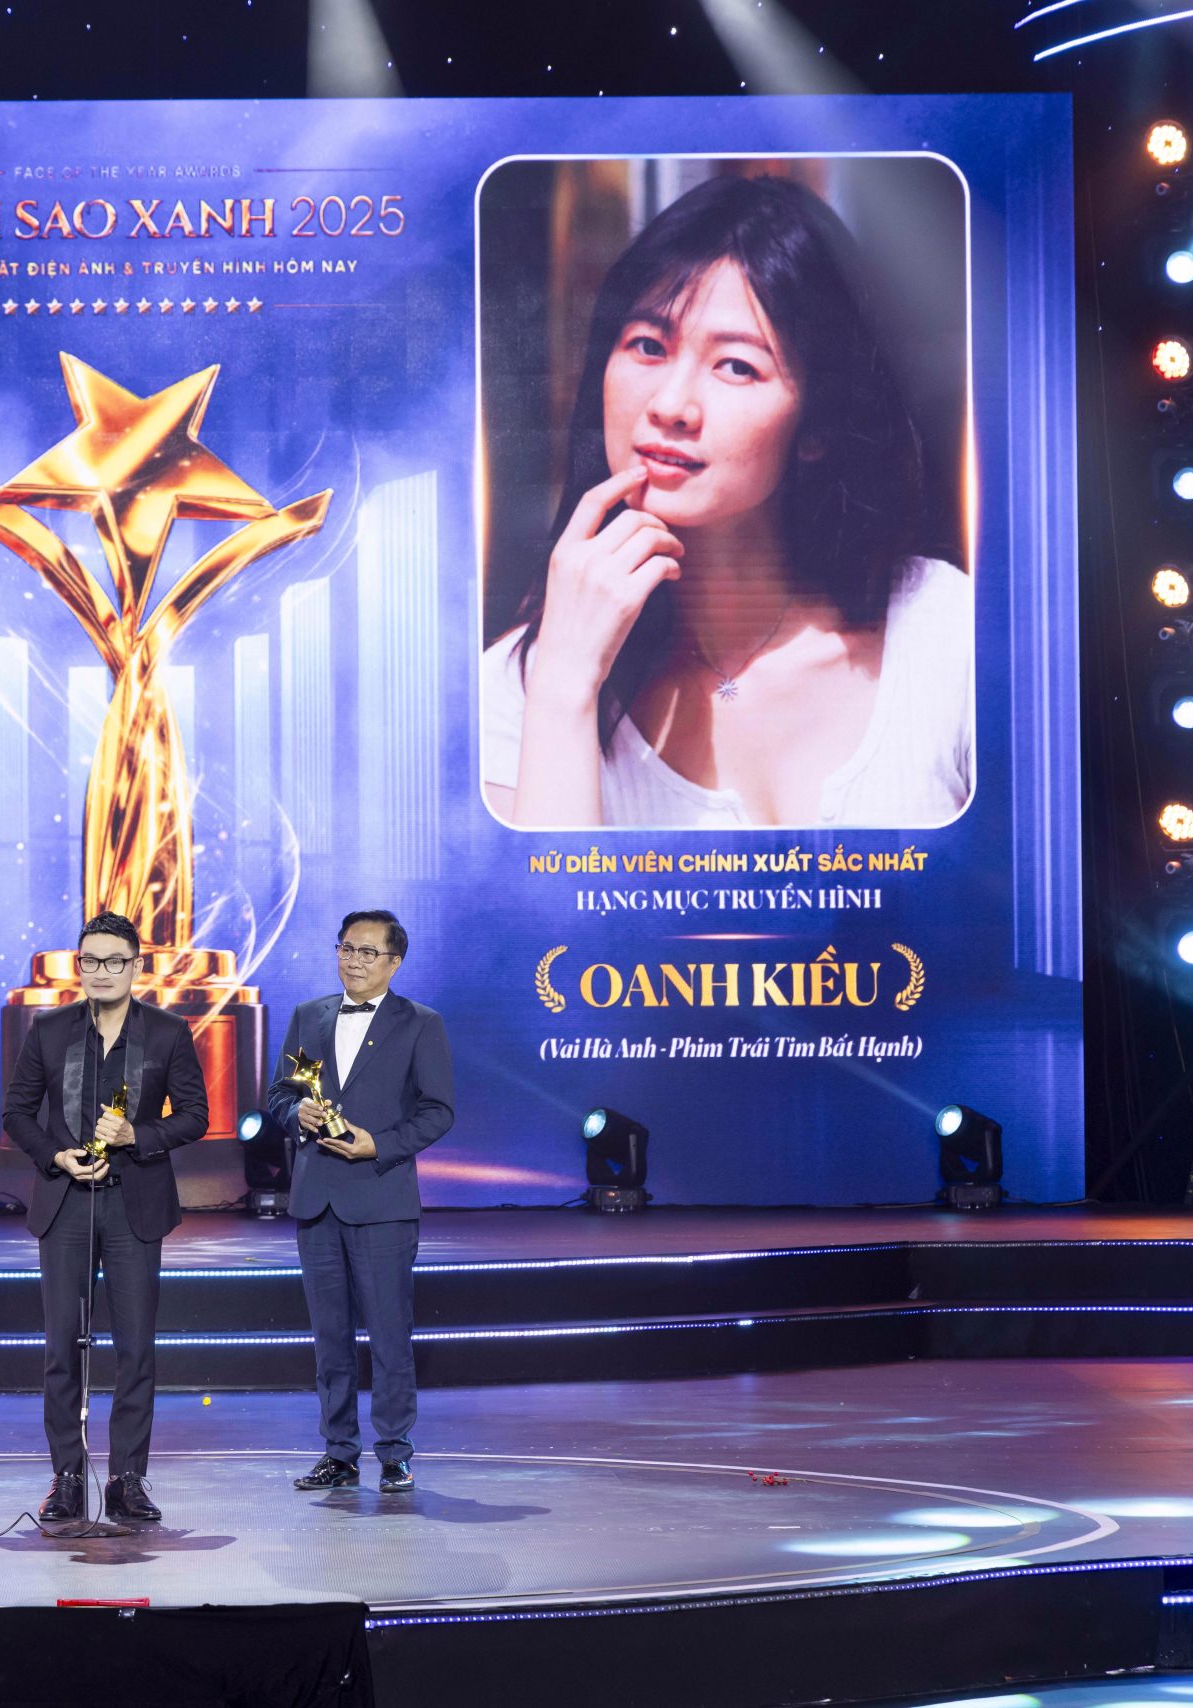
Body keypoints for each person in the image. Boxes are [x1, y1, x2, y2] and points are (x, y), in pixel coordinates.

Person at [481, 173, 970, 830]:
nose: (671, 406)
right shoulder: (522, 688)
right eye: (648, 346)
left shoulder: (944, 633)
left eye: (737, 366)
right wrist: (566, 687)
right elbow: (550, 903)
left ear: (819, 425)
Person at [1, 910, 209, 1526]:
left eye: (115, 961)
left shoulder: (168, 1032)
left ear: (136, 966)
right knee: (62, 1344)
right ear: (79, 965)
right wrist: (56, 1155)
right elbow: (16, 1113)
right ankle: (67, 1476)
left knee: (136, 1347)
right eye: (90, 960)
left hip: (134, 1205)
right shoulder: (49, 1029)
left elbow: (194, 1116)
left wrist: (136, 1135)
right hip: (66, 1201)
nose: (101, 971)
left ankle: (126, 1479)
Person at [265, 910, 454, 1494]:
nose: (354, 960)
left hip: (381, 1198)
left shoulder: (420, 1023)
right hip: (317, 1200)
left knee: (390, 1335)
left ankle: (394, 1452)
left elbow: (438, 1111)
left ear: (394, 962)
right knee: (329, 1338)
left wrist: (381, 1145)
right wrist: (297, 1113)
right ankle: (339, 1451)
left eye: (368, 952)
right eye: (346, 948)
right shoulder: (309, 1015)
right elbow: (278, 1094)